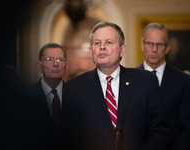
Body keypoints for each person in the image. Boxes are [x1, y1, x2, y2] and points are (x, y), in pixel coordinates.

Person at [62, 21, 171, 150]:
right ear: (91, 51)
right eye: (97, 43)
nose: (102, 47)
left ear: (122, 50)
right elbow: (67, 139)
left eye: (108, 42)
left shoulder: (146, 82)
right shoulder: (74, 88)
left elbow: (160, 132)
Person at [137, 22, 190, 150]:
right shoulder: (128, 80)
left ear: (167, 48)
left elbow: (187, 128)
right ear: (142, 45)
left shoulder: (183, 81)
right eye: (150, 44)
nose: (154, 49)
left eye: (159, 44)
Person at [31, 43, 68, 149]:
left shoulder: (76, 95)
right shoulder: (26, 97)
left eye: (60, 59)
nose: (55, 64)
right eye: (49, 59)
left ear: (66, 65)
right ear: (39, 66)